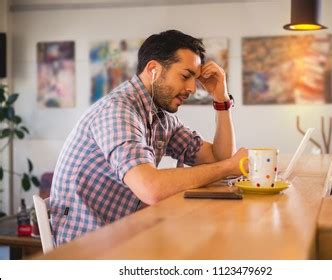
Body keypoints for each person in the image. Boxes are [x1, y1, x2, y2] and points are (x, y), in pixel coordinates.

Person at [50, 30, 247, 245]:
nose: (192, 88)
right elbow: (151, 188)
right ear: (153, 69)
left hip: (123, 234)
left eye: (195, 78)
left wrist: (221, 98)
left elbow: (218, 156)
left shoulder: (159, 115)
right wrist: (229, 167)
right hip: (87, 248)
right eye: (185, 76)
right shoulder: (118, 111)